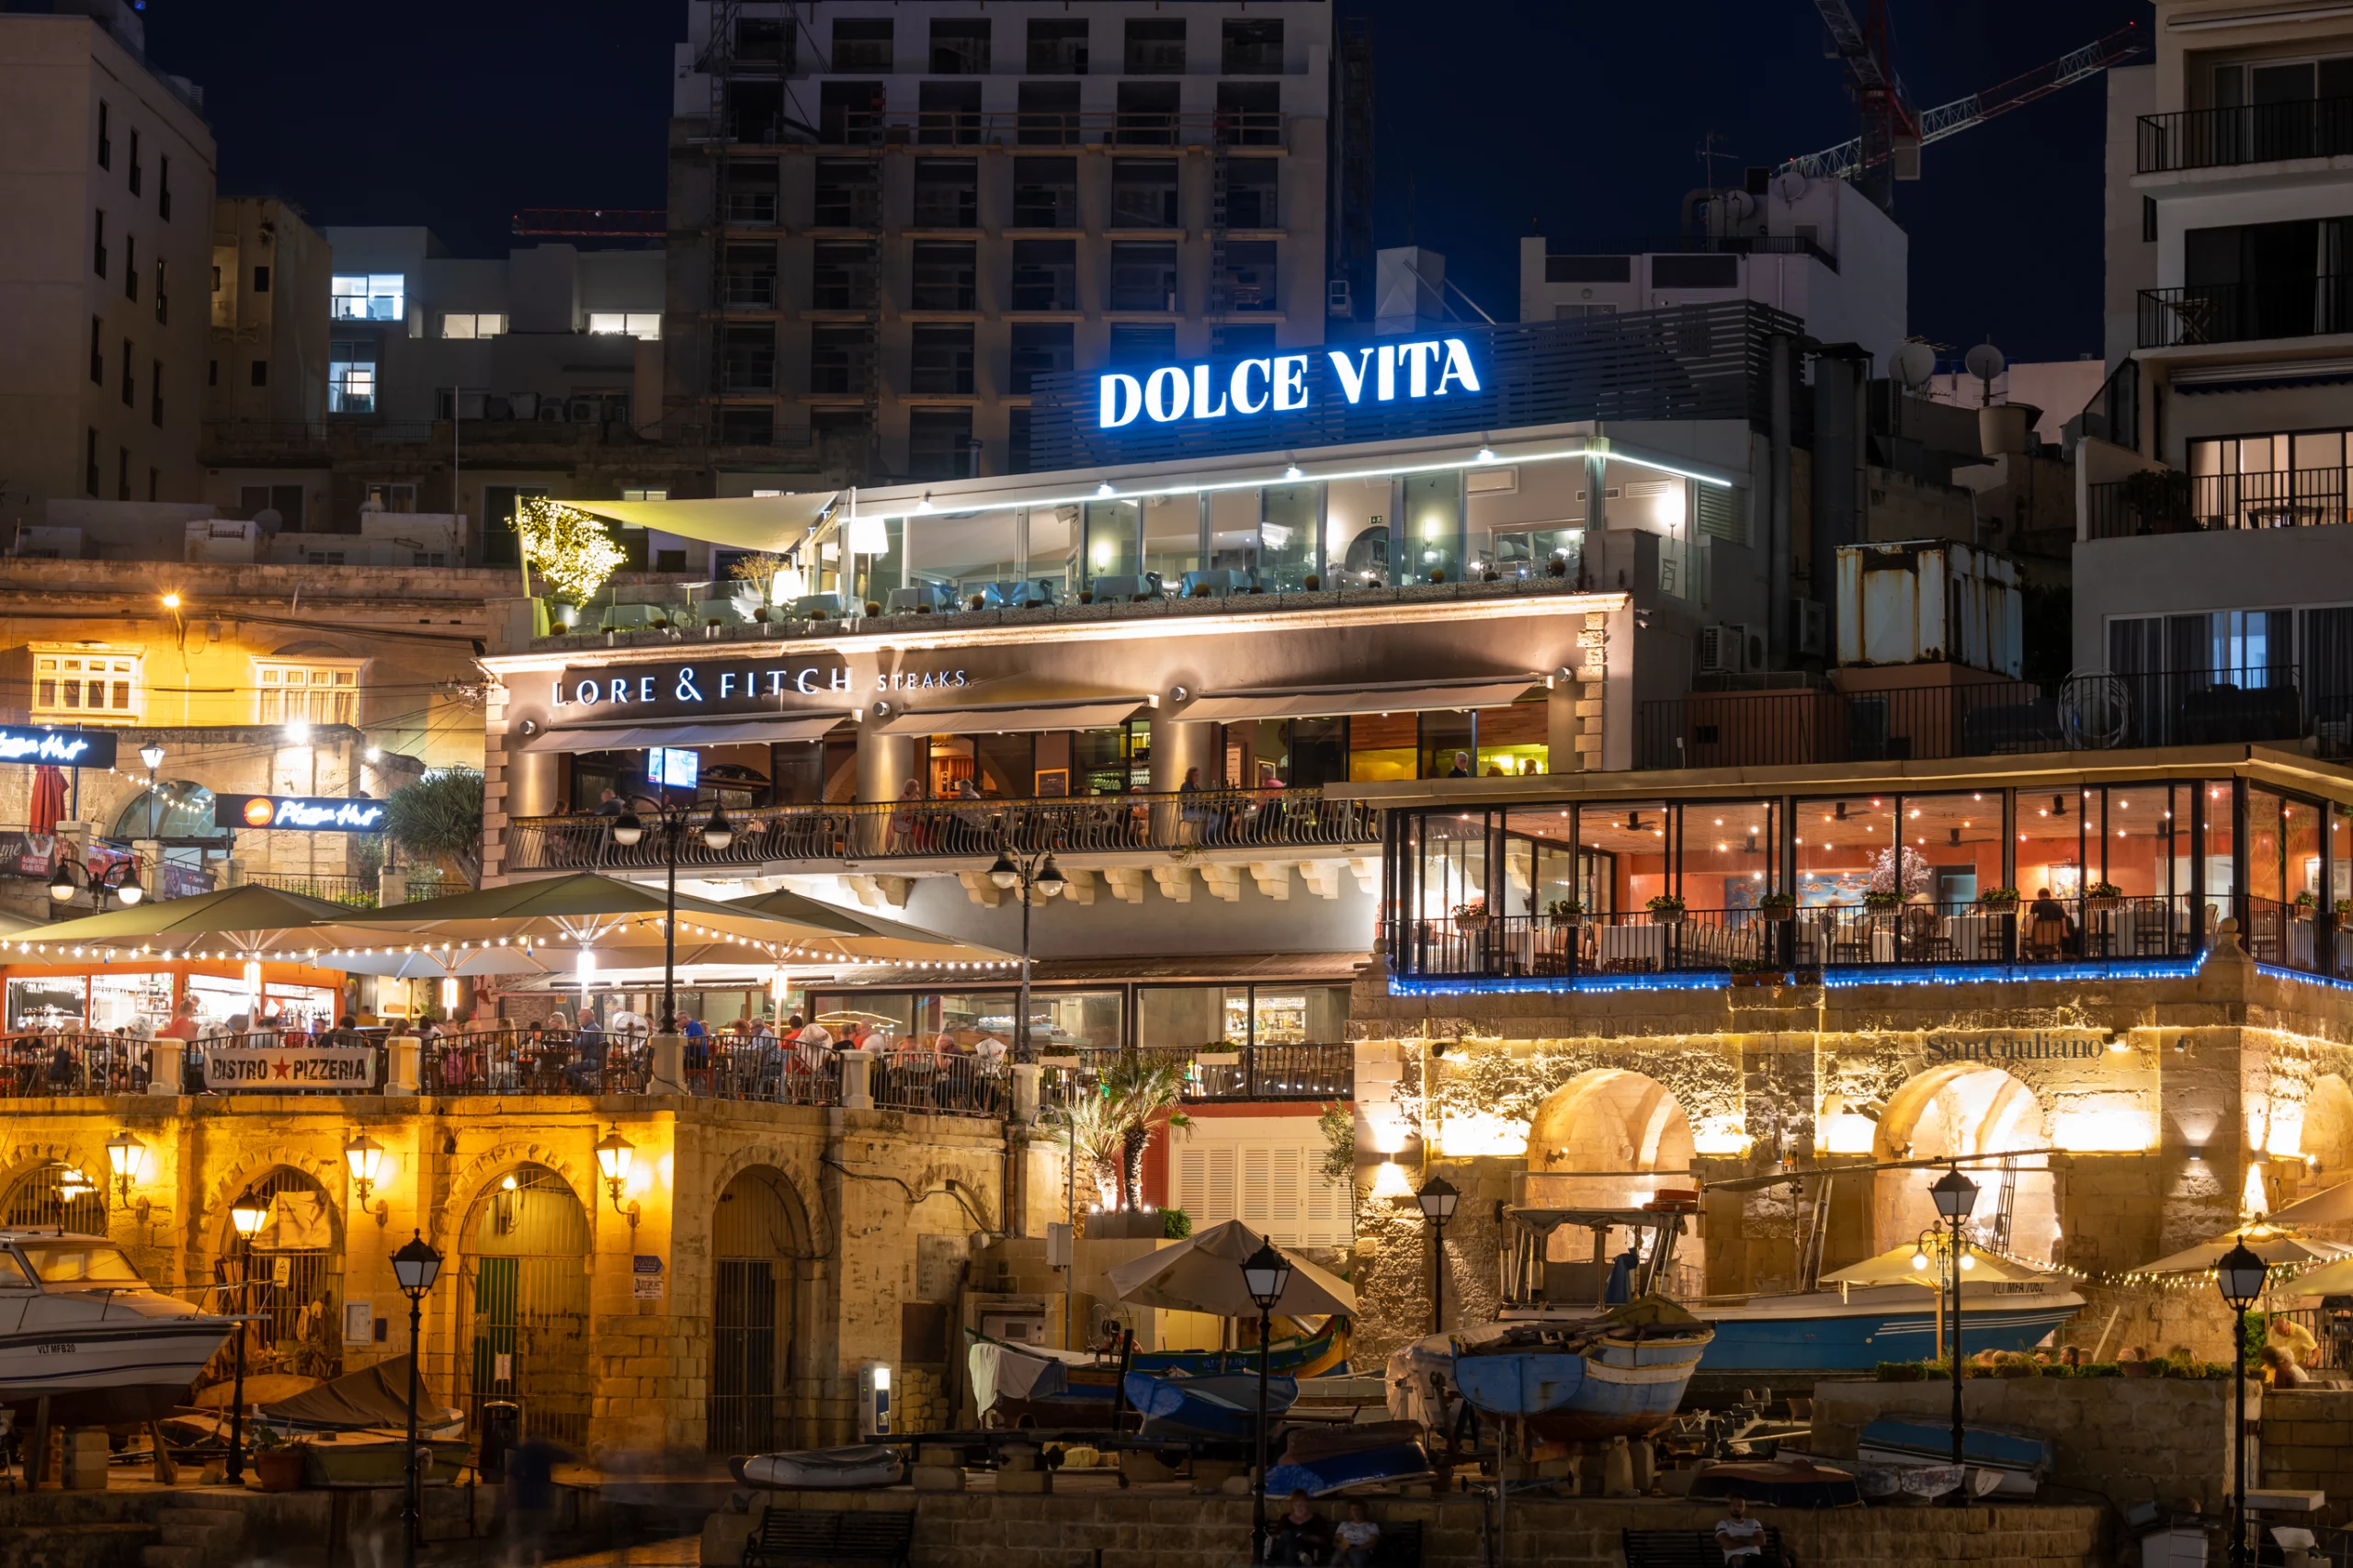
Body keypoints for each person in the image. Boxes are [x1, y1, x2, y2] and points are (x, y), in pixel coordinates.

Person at [1268, 1490, 1332, 1566]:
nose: (1299, 1507)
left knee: (1290, 1550)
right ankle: (1300, 1553)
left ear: (1307, 1504)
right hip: (1283, 1550)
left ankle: (1299, 1553)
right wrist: (1292, 1537)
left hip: (1307, 1550)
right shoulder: (1285, 1518)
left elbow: (1323, 1540)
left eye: (1301, 1504)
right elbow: (1276, 1536)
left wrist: (1305, 1537)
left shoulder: (1316, 1518)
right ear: (1292, 1505)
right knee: (1287, 1534)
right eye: (1296, 1504)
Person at [1714, 1493, 1778, 1567]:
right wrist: (1751, 1542)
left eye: (1740, 1505)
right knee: (1739, 1560)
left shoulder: (1754, 1522)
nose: (1737, 1508)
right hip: (1736, 1559)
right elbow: (1727, 1545)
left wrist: (1739, 1538)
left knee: (1782, 1560)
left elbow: (1761, 1541)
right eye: (1734, 1504)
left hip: (1755, 1557)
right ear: (1729, 1506)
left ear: (1745, 1508)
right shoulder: (1723, 1524)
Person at [1331, 1501, 1380, 1568]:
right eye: (1353, 1509)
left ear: (1364, 1510)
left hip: (1361, 1548)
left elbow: (1373, 1543)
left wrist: (1357, 1548)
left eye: (1358, 1509)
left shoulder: (1371, 1526)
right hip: (1345, 1547)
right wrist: (1341, 1547)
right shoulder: (1344, 1524)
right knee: (1336, 1560)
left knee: (1357, 1560)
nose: (1356, 1512)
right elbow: (1336, 1540)